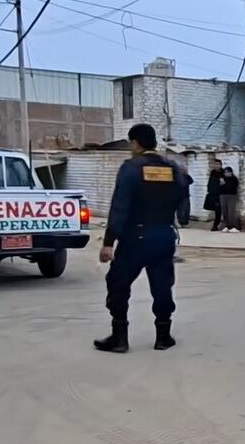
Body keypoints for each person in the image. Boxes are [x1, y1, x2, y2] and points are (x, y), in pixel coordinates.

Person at [95, 123, 187, 353]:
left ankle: (119, 338)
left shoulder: (131, 168)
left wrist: (108, 243)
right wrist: (179, 217)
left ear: (135, 143)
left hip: (135, 237)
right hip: (164, 236)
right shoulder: (173, 168)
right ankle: (163, 337)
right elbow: (184, 203)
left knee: (118, 283)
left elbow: (120, 207)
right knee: (162, 286)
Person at [219, 167, 241, 232]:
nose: (227, 174)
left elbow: (232, 188)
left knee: (231, 212)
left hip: (232, 196)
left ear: (231, 172)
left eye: (228, 172)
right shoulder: (222, 179)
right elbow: (220, 187)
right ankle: (227, 226)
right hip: (223, 196)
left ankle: (234, 226)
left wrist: (225, 184)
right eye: (225, 172)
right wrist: (221, 183)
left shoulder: (234, 179)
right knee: (224, 212)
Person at [204, 159, 224, 231]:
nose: (216, 166)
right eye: (215, 164)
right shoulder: (212, 172)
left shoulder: (223, 173)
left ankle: (215, 225)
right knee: (215, 210)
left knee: (218, 210)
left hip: (220, 195)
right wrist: (209, 190)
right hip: (213, 194)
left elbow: (224, 184)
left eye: (218, 164)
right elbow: (210, 182)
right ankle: (216, 224)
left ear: (221, 165)